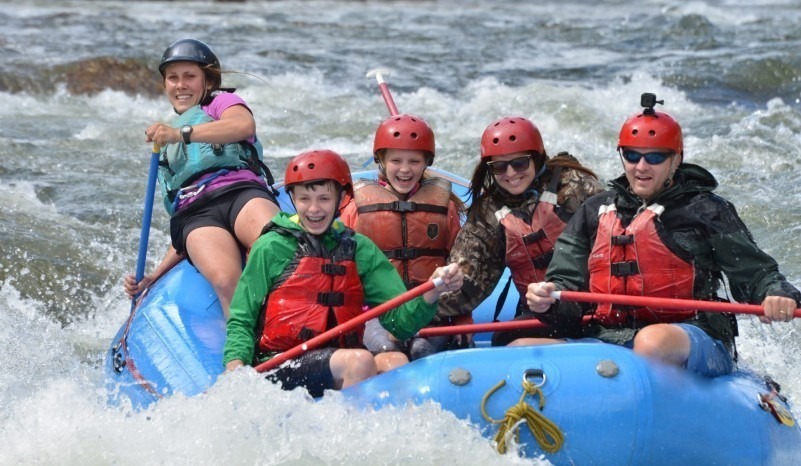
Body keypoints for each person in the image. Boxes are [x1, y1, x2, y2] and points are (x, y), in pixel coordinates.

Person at [525, 93, 801, 377]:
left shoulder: (705, 211)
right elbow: (565, 284)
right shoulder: (594, 211)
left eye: (654, 157)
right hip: (608, 335)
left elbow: (757, 275)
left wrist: (775, 294)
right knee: (522, 347)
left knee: (651, 342)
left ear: (676, 160)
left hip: (693, 336)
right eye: (632, 155)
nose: (641, 167)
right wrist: (549, 302)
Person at [223, 149, 463, 397]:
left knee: (396, 362)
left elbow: (399, 323)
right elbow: (242, 317)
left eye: (324, 199)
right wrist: (235, 365)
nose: (314, 209)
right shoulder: (271, 246)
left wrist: (431, 293)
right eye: (304, 199)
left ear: (341, 198)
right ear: (292, 199)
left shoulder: (360, 249)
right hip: (280, 363)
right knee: (360, 361)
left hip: (339, 360)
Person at [123, 39, 279, 317]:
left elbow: (243, 125)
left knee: (276, 245)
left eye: (189, 77)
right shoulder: (165, 138)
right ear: (165, 85)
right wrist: (155, 277)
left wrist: (181, 133)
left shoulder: (220, 103)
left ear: (207, 81)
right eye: (173, 78)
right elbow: (181, 216)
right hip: (196, 214)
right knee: (224, 280)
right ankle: (246, 355)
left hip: (241, 192)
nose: (180, 85)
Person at [438, 116, 603, 346]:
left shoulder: (575, 187)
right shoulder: (489, 211)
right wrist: (429, 308)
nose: (511, 173)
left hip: (596, 308)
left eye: (520, 163)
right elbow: (468, 278)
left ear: (537, 157)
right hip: (543, 313)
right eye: (498, 166)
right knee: (505, 339)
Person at [339, 114, 465, 363]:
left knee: (420, 351)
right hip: (375, 312)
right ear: (381, 161)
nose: (405, 169)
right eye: (396, 160)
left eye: (414, 161)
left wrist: (462, 316)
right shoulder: (356, 208)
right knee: (388, 351)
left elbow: (458, 263)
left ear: (426, 162)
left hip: (430, 311)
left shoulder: (444, 208)